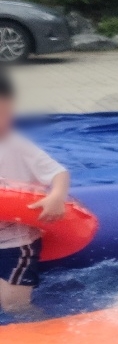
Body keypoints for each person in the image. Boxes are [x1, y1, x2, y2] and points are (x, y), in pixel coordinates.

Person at [0, 68, 70, 316]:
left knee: (14, 306)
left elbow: (59, 173)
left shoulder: (16, 146)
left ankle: (43, 329)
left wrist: (56, 196)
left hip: (16, 243)